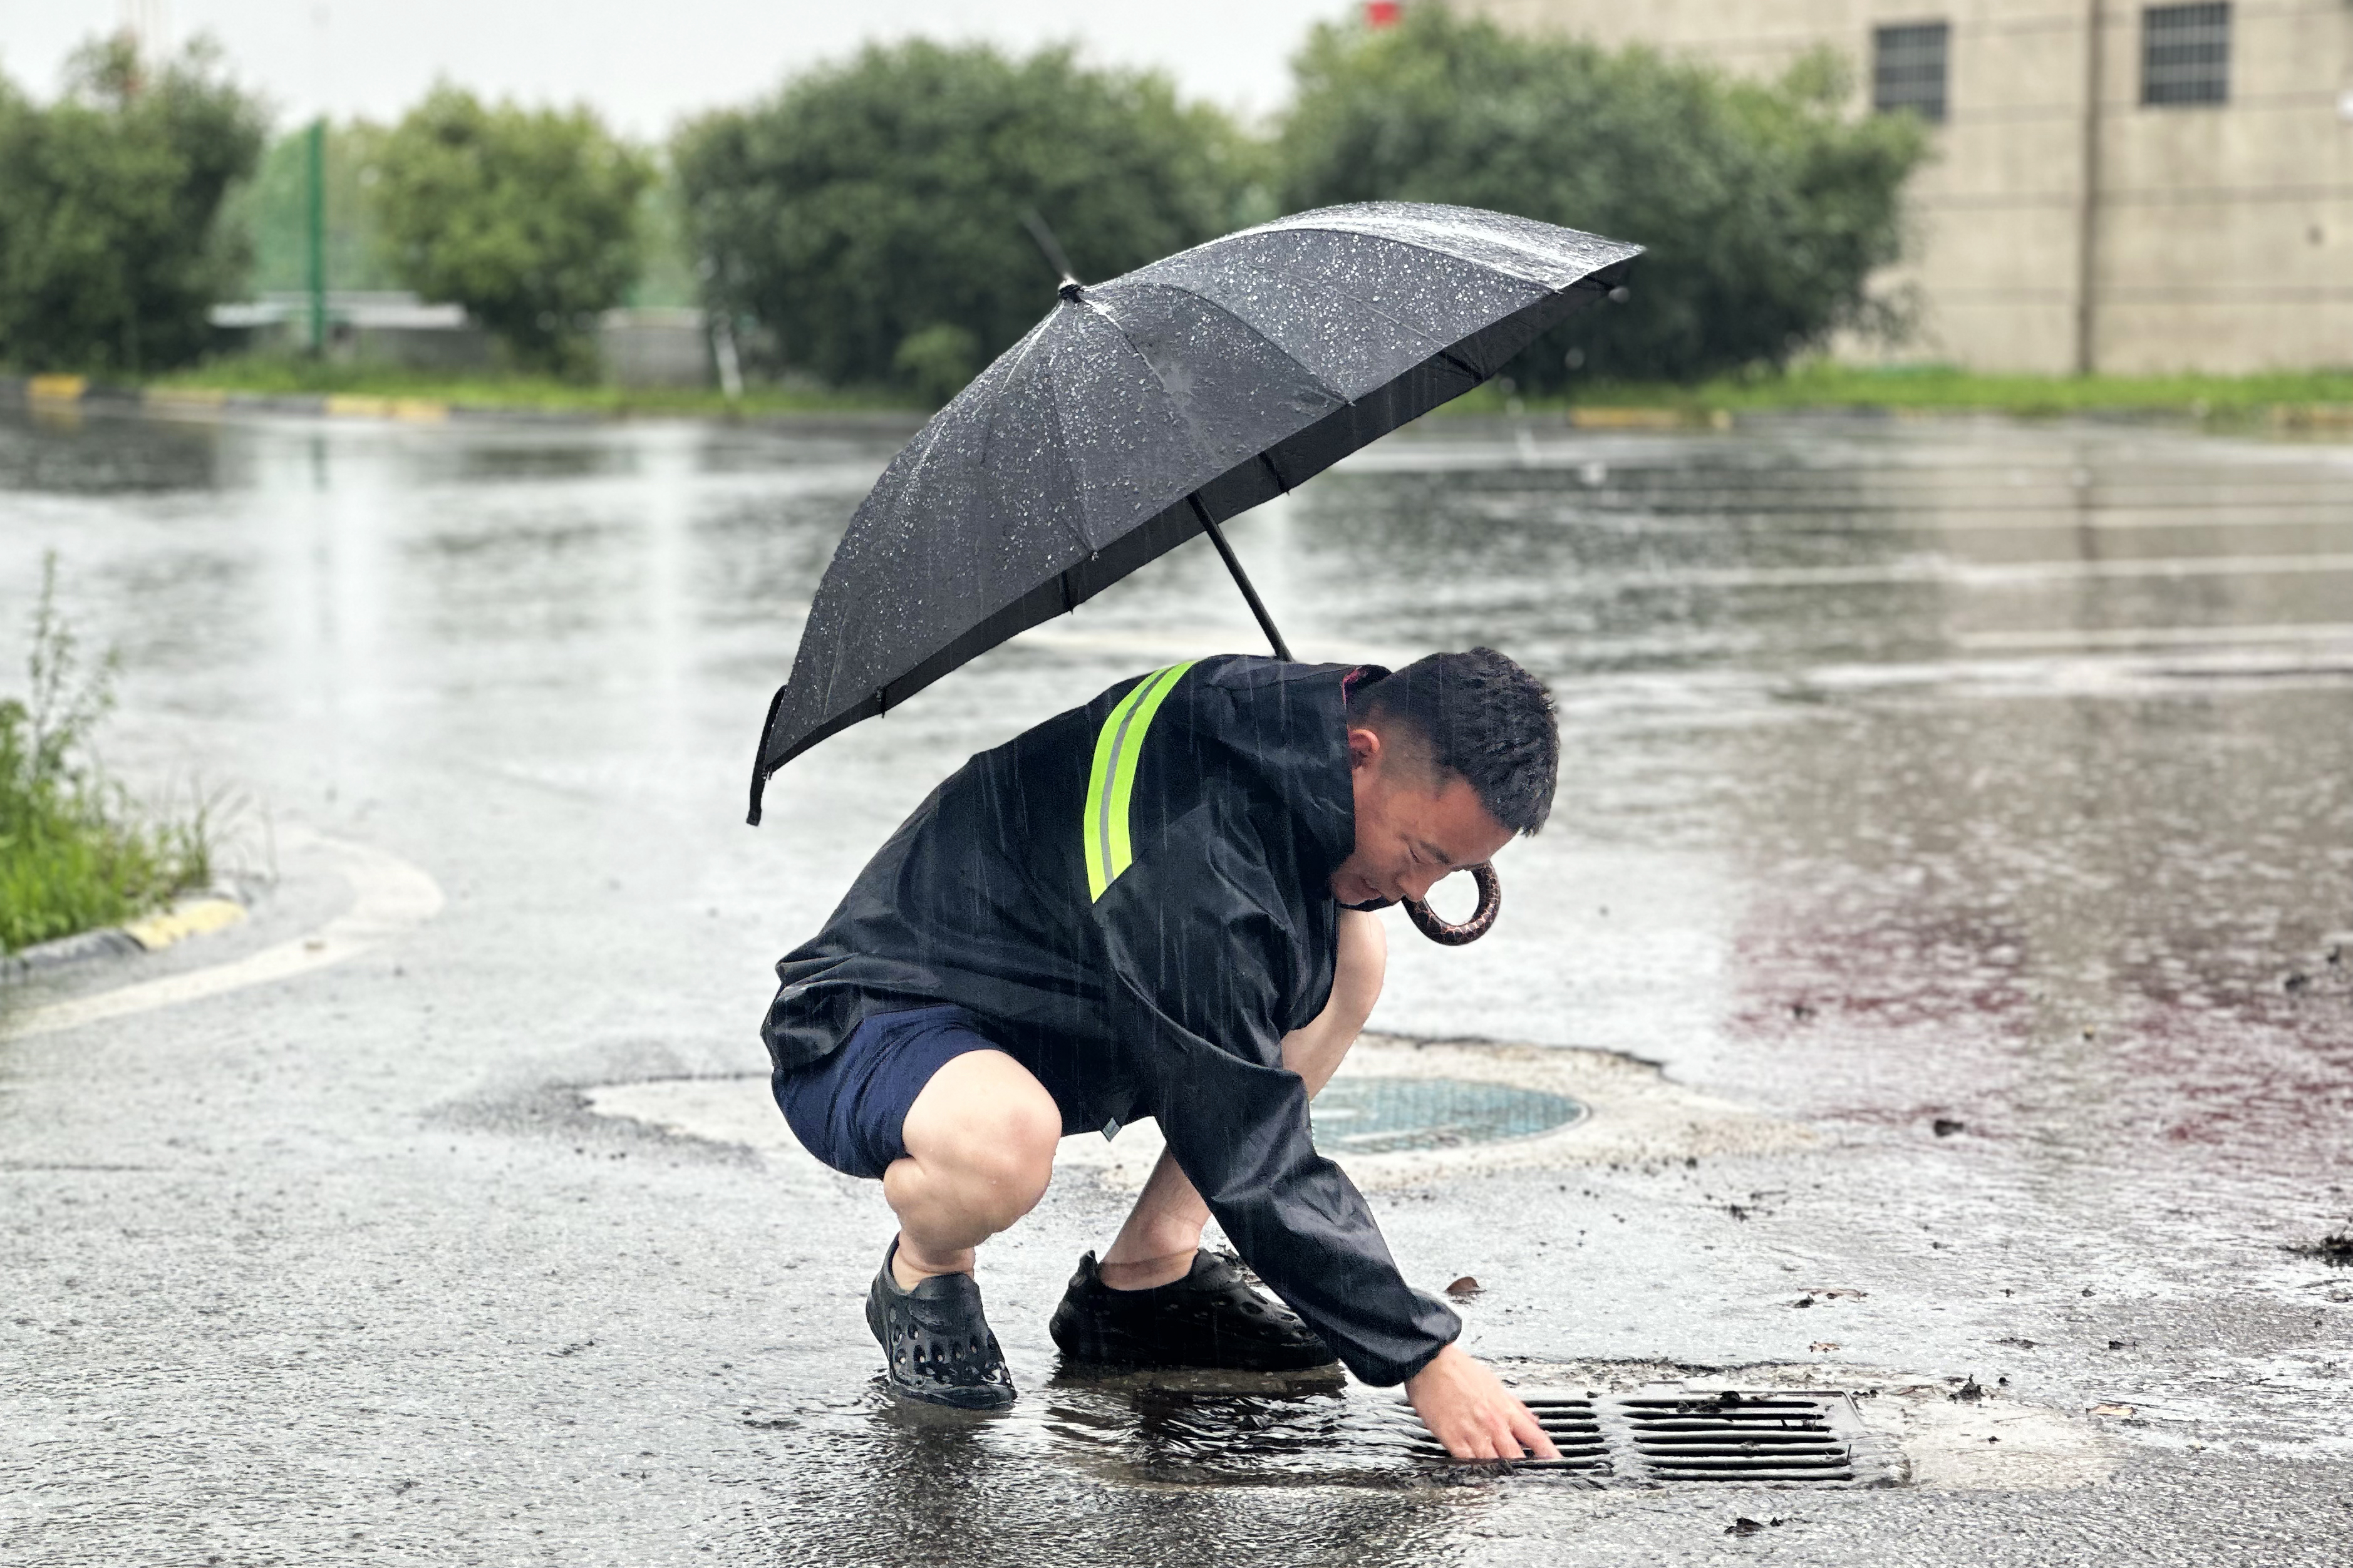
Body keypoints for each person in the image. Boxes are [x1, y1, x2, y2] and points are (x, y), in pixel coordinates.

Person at [761, 647, 1562, 1462]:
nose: (1418, 891)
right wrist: (1422, 1357)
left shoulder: (1300, 722)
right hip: (882, 1017)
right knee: (1005, 1140)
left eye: (1450, 868)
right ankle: (926, 1271)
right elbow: (1247, 1139)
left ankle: (1145, 1281)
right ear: (1359, 754)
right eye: (1422, 855)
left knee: (1355, 947)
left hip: (1066, 1002)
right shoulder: (1193, 853)